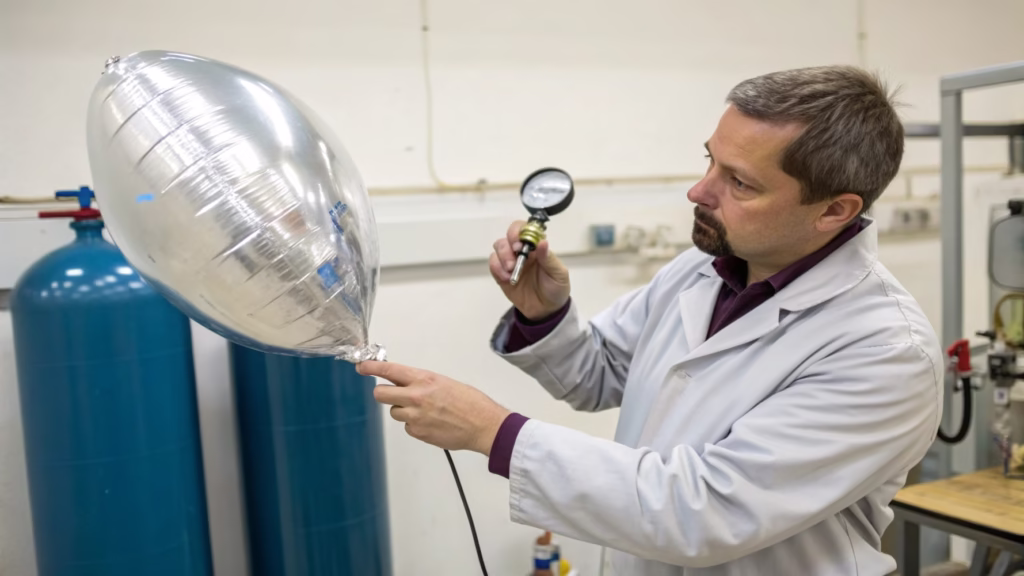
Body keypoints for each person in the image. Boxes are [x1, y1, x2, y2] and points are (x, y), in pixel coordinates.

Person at [356, 65, 943, 575]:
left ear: (834, 211)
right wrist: (545, 314)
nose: (698, 191)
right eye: (710, 161)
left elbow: (706, 511)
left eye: (739, 182)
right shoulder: (702, 270)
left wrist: (493, 431)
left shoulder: (884, 350)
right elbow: (599, 376)